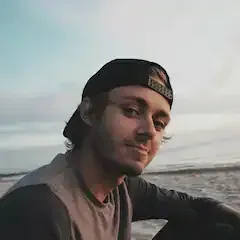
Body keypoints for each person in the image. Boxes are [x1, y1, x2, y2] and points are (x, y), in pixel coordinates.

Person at [0, 59, 239, 240]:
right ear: (89, 113)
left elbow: (193, 206)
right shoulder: (37, 208)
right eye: (132, 111)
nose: (149, 131)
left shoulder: (122, 188)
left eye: (159, 123)